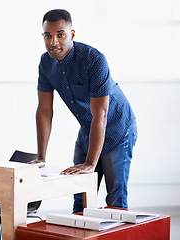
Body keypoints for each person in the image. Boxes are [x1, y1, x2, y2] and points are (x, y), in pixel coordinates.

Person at [30, 9, 138, 213]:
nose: (53, 42)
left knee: (115, 200)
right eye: (48, 35)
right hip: (89, 127)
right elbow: (44, 109)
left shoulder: (93, 59)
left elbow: (102, 115)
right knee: (80, 196)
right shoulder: (45, 63)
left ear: (71, 34)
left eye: (60, 34)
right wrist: (41, 156)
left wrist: (90, 163)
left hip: (118, 127)